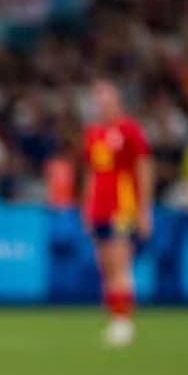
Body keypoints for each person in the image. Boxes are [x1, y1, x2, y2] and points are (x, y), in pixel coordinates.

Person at [81, 79, 153, 347]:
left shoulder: (129, 130)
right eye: (99, 101)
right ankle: (115, 317)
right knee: (106, 265)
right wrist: (87, 207)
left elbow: (144, 168)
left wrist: (144, 209)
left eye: (107, 100)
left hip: (122, 207)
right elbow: (91, 173)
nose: (103, 105)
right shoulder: (94, 134)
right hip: (99, 207)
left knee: (119, 262)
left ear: (117, 101)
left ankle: (124, 322)